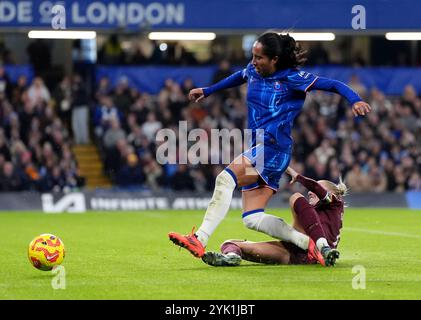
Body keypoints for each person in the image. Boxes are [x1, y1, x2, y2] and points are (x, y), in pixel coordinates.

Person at [168, 32, 371, 265]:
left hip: (274, 147)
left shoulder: (293, 78)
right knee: (252, 218)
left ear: (275, 59)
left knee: (225, 179)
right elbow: (239, 76)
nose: (253, 62)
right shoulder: (253, 71)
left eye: (259, 57)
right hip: (261, 148)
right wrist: (208, 90)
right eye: (252, 56)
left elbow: (333, 84)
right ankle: (310, 245)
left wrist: (355, 99)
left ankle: (199, 238)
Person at [201, 166, 347, 267]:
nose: (309, 192)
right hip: (293, 253)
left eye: (316, 189)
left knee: (296, 197)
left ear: (333, 194)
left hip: (316, 249)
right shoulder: (314, 212)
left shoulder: (335, 205)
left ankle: (322, 248)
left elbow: (316, 189)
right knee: (229, 244)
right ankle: (231, 257)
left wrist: (298, 177)